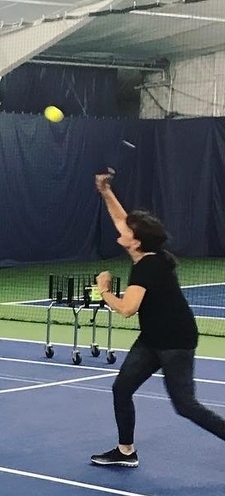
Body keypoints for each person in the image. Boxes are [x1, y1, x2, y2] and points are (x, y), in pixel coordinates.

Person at [90, 173, 225, 466]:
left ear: (135, 242)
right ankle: (126, 451)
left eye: (129, 230)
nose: (122, 228)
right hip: (152, 338)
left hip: (175, 341)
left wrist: (104, 291)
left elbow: (127, 309)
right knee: (122, 388)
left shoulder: (147, 268)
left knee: (185, 406)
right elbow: (120, 219)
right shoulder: (147, 253)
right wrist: (106, 191)